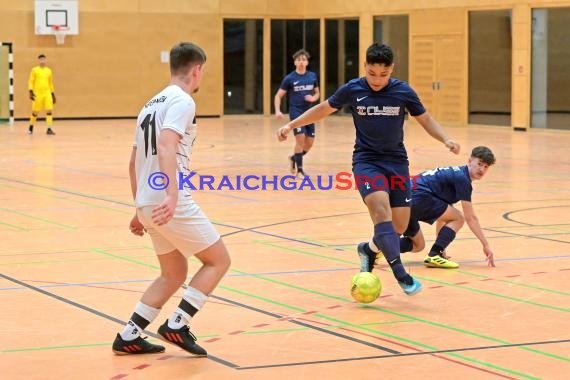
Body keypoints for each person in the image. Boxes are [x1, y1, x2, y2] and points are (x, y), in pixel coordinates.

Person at [277, 43, 460, 296]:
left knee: (398, 227)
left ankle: (369, 249)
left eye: (383, 75)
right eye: (372, 73)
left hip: (396, 163)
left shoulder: (403, 91)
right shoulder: (354, 89)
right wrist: (291, 125)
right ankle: (400, 274)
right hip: (367, 161)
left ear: (391, 70)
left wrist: (445, 139)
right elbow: (322, 109)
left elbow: (425, 118)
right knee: (379, 209)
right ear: (365, 67)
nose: (377, 80)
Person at [112, 42, 231, 356]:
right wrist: (172, 194)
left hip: (148, 201)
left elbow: (133, 161)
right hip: (168, 200)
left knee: (173, 272)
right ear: (197, 69)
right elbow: (166, 146)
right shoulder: (183, 100)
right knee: (219, 260)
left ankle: (129, 335)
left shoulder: (149, 104)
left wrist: (140, 207)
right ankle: (178, 324)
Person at [398, 146, 496, 268]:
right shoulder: (462, 179)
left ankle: (376, 247)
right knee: (459, 218)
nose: (482, 169)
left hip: (403, 199)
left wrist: (440, 246)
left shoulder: (456, 175)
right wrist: (485, 244)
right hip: (418, 196)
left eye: (486, 167)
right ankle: (434, 255)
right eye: (479, 164)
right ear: (470, 161)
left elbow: (443, 217)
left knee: (418, 245)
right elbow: (470, 217)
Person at [274, 49, 320, 178]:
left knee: (309, 143)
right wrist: (278, 111)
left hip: (310, 113)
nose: (301, 62)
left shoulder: (312, 76)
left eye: (303, 60)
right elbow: (278, 95)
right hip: (296, 112)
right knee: (300, 139)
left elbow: (317, 93)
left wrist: (313, 98)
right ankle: (300, 170)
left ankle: (294, 158)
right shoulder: (290, 78)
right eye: (299, 60)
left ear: (307, 62)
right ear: (295, 62)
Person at [28, 54, 56, 135]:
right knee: (35, 112)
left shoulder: (49, 71)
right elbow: (31, 81)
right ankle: (31, 126)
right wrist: (30, 91)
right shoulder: (34, 70)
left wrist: (53, 94)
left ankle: (49, 129)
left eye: (44, 59)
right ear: (38, 61)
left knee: (49, 110)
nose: (42, 61)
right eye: (41, 60)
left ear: (46, 60)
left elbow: (50, 83)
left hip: (47, 93)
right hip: (37, 94)